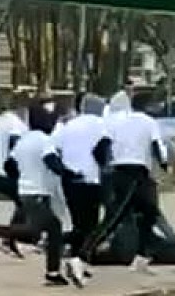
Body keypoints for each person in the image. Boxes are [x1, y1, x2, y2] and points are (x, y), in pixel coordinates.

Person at [79, 92, 169, 279]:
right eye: (155, 104)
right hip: (132, 172)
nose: (158, 108)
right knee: (114, 217)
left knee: (149, 212)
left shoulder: (118, 122)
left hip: (125, 172)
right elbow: (157, 146)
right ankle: (81, 257)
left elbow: (100, 147)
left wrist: (105, 165)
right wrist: (164, 165)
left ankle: (141, 258)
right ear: (147, 106)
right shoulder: (148, 122)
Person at [0, 103, 80, 286]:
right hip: (38, 192)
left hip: (26, 191)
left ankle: (53, 273)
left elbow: (9, 165)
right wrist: (70, 174)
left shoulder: (24, 140)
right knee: (46, 228)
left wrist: (23, 176)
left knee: (42, 228)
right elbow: (52, 162)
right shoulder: (44, 140)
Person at [53, 93, 111, 284]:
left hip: (69, 179)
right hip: (90, 178)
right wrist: (105, 168)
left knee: (77, 221)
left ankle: (75, 258)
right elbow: (102, 150)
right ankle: (80, 260)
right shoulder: (100, 124)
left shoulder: (70, 125)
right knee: (91, 224)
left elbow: (56, 147)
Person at [0, 94, 29, 257]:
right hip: (4, 172)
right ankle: (9, 238)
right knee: (24, 202)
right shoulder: (15, 122)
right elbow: (15, 144)